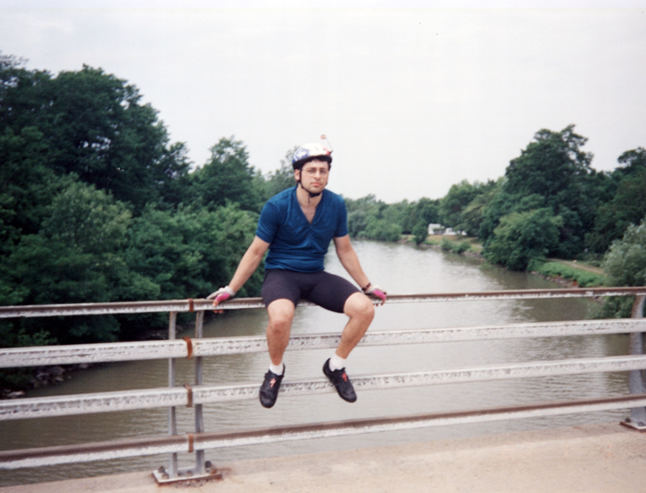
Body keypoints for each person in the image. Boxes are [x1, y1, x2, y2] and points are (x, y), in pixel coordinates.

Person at [208, 138, 387, 408]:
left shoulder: (336, 205)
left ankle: (336, 366)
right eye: (311, 170)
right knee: (281, 319)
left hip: (315, 275)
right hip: (281, 275)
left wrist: (367, 285)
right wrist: (231, 289)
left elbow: (345, 250)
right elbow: (256, 251)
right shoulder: (277, 206)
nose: (318, 176)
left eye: (323, 171)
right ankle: (275, 371)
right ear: (297, 174)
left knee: (365, 309)